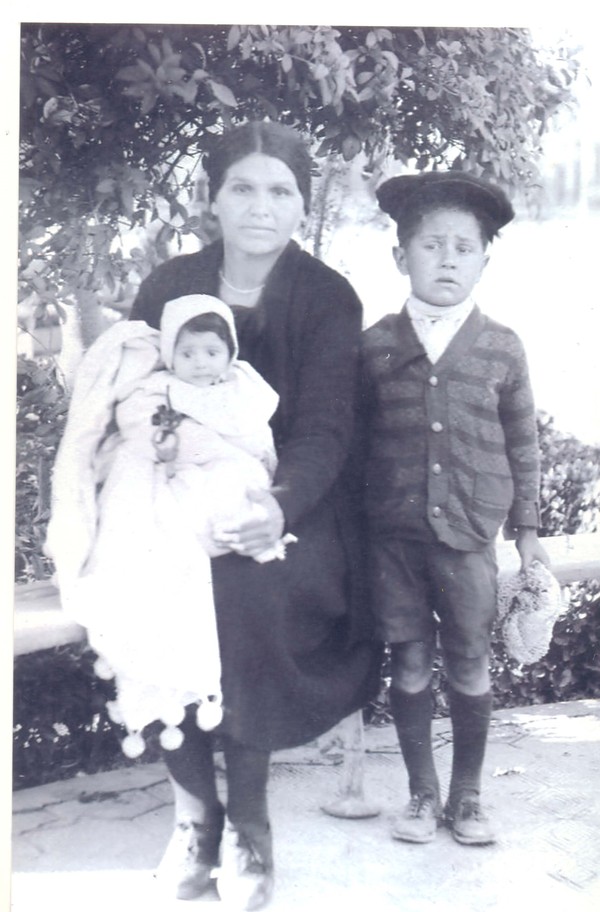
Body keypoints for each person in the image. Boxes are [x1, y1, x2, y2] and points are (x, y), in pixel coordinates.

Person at [128, 120, 381, 909]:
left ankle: (250, 824)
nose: (260, 207)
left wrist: (277, 507)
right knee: (149, 580)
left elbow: (326, 427)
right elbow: (130, 402)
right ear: (214, 198)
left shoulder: (327, 297)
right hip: (172, 492)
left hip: (295, 500)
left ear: (303, 206)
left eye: (280, 192)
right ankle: (193, 818)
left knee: (242, 585)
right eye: (243, 187)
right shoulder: (170, 285)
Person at [361, 172, 550, 848]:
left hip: (469, 537)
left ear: (483, 261)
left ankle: (467, 798)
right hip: (394, 538)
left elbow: (524, 443)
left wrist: (526, 535)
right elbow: (356, 444)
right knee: (408, 659)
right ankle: (420, 795)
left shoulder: (502, 346)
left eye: (463, 248)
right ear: (400, 256)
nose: (447, 260)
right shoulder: (376, 345)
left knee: (470, 661)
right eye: (431, 245)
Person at [46, 293, 292, 762]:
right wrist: (192, 447)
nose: (200, 364)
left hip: (226, 470)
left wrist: (231, 456)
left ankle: (229, 531)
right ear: (170, 355)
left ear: (230, 354)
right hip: (166, 472)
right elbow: (147, 432)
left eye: (212, 352)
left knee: (237, 483)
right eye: (188, 352)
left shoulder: (242, 388)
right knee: (146, 501)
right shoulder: (153, 390)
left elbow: (255, 438)